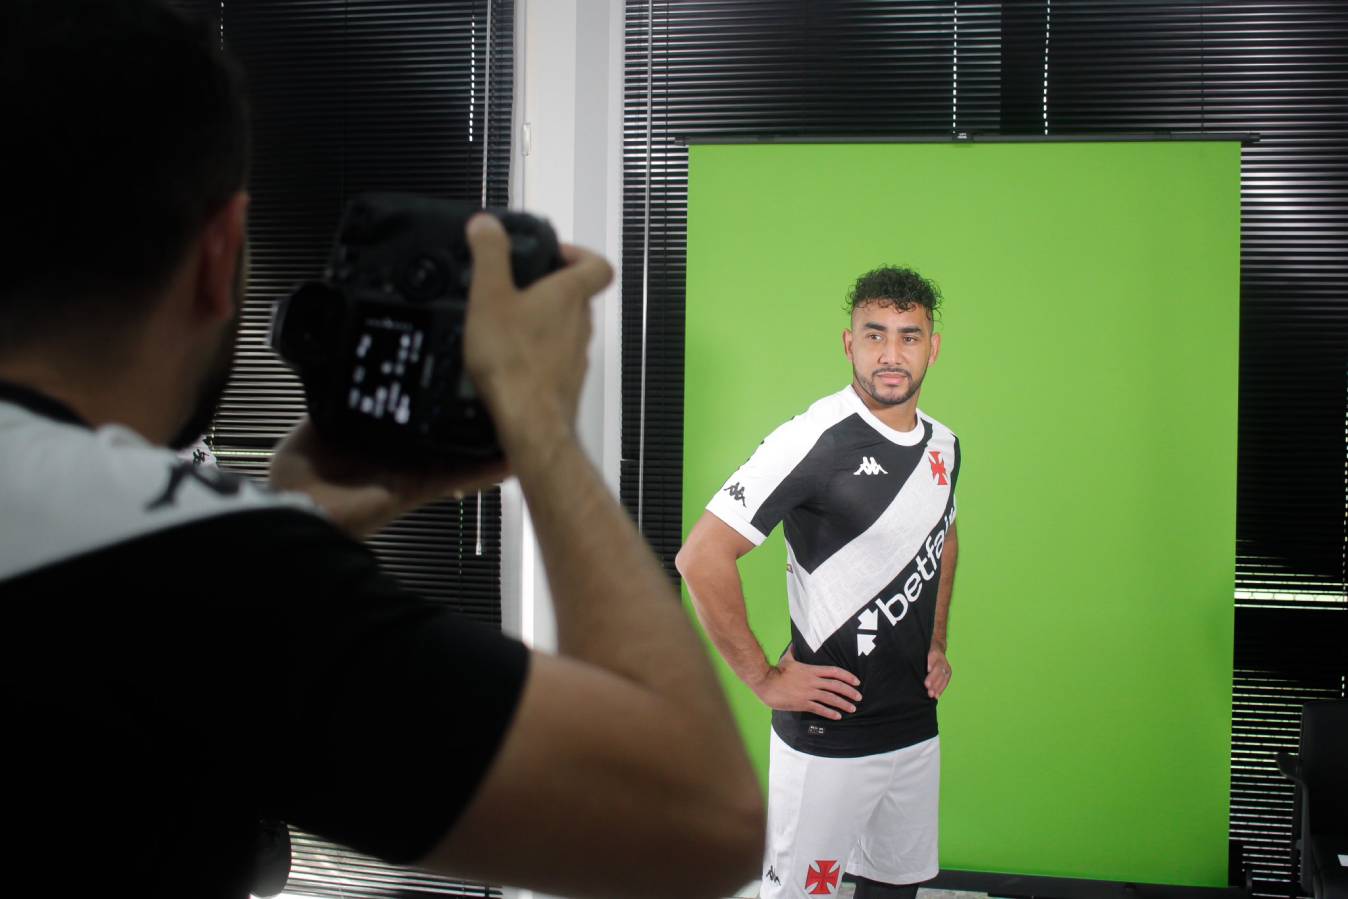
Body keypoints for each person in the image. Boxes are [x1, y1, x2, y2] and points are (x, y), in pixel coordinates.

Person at [0, 2, 763, 897]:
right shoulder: (188, 567)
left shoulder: (180, 569)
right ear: (220, 254)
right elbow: (702, 821)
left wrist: (294, 522)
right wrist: (542, 426)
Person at [676, 266, 961, 899]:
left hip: (913, 723)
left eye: (909, 337)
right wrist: (763, 678)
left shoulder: (944, 445)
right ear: (848, 343)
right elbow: (700, 558)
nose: (891, 354)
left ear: (932, 347)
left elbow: (942, 535)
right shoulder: (812, 440)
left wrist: (936, 641)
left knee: (896, 887)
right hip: (828, 734)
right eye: (875, 334)